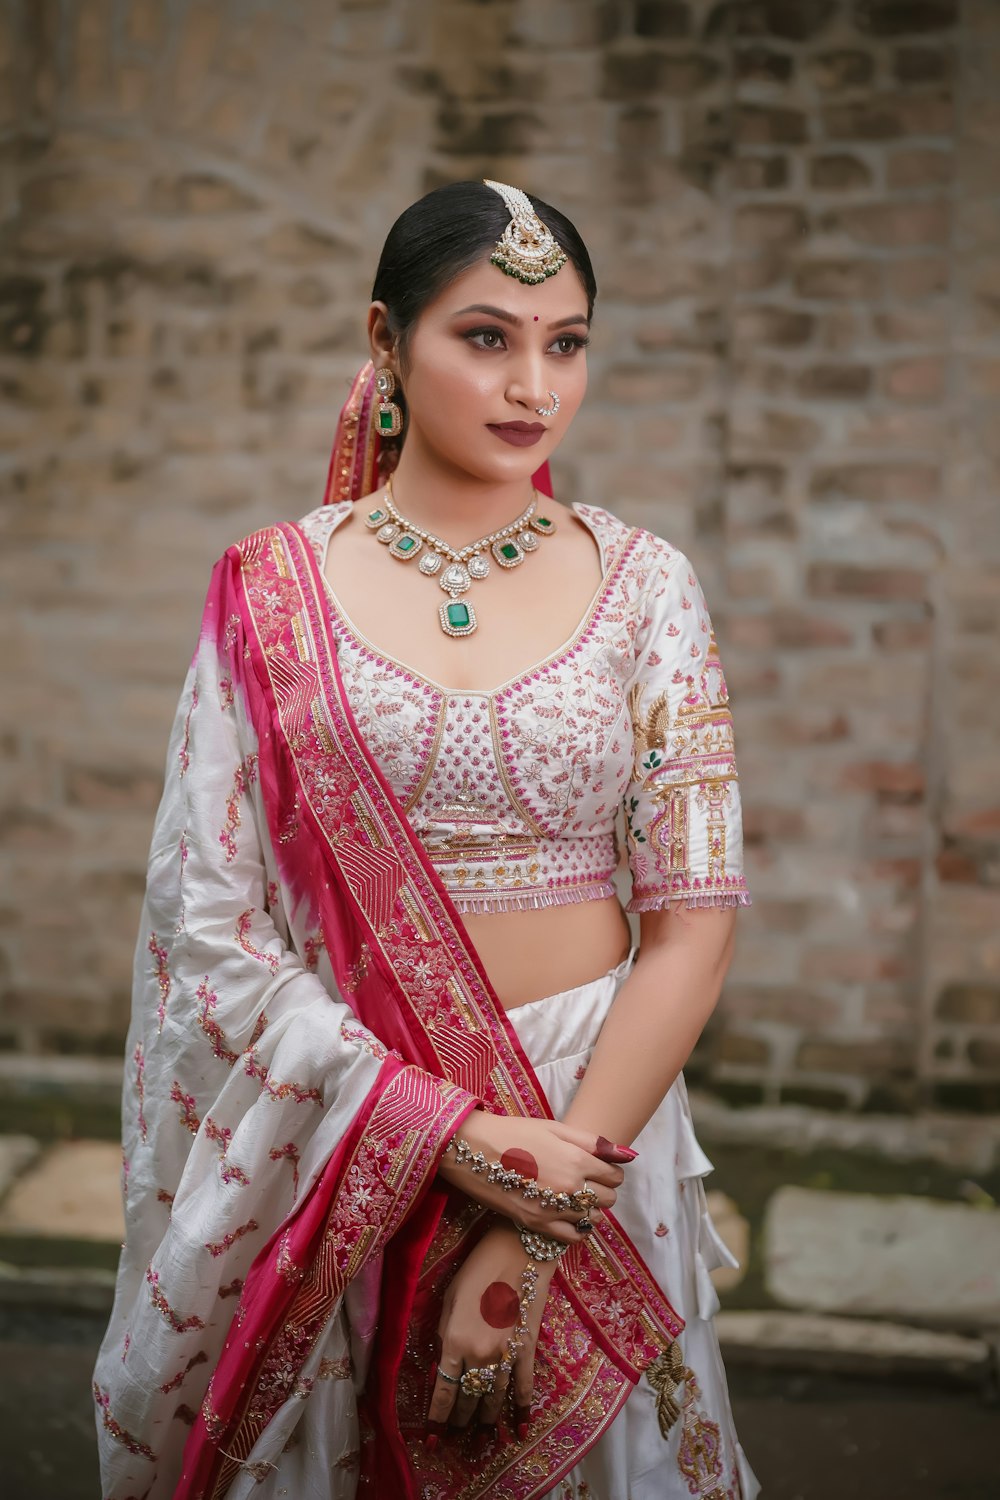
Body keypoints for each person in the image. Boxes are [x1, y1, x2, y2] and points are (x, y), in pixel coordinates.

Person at [94, 179, 758, 1500]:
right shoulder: (275, 589)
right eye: (486, 337)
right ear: (386, 344)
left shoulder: (646, 585)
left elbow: (696, 917)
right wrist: (444, 1135)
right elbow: (212, 928)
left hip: (592, 1112)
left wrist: (541, 1222)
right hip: (343, 1113)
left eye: (565, 343)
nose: (533, 385)